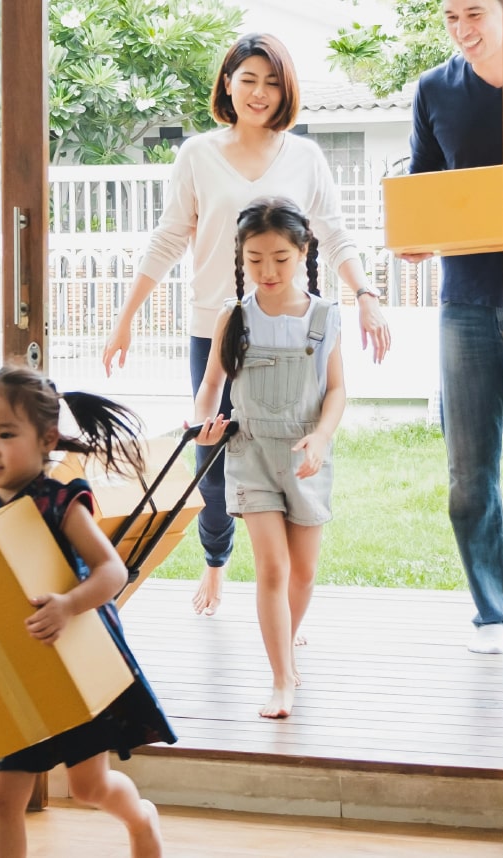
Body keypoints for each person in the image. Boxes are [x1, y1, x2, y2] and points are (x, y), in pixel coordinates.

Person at [101, 32, 391, 618]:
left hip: (288, 337)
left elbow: (332, 233)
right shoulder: (197, 155)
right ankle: (216, 562)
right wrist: (125, 317)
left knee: (289, 464)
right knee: (210, 460)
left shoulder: (305, 157)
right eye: (248, 79)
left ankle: (286, 603)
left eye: (272, 81)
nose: (259, 92)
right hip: (218, 332)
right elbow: (167, 240)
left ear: (286, 90)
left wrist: (365, 293)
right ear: (227, 84)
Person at [0, 366, 173, 858]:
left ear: (46, 438)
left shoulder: (60, 502)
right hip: (10, 669)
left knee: (88, 787)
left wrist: (68, 605)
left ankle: (142, 820)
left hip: (71, 659)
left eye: (5, 434)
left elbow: (112, 572)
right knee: (2, 796)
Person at [192, 198, 348, 720]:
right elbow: (212, 383)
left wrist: (322, 438)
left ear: (303, 251)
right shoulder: (233, 317)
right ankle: (281, 680)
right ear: (241, 257)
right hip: (250, 452)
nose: (268, 271)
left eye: (280, 258)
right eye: (255, 259)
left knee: (304, 573)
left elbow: (337, 391)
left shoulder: (325, 317)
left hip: (306, 455)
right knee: (274, 568)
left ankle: (286, 641)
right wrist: (205, 426)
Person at [399, 0, 503, 654]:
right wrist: (415, 236)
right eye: (450, 17)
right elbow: (423, 188)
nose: (464, 29)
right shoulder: (435, 89)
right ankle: (492, 612)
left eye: (475, 12)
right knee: (470, 475)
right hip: (465, 304)